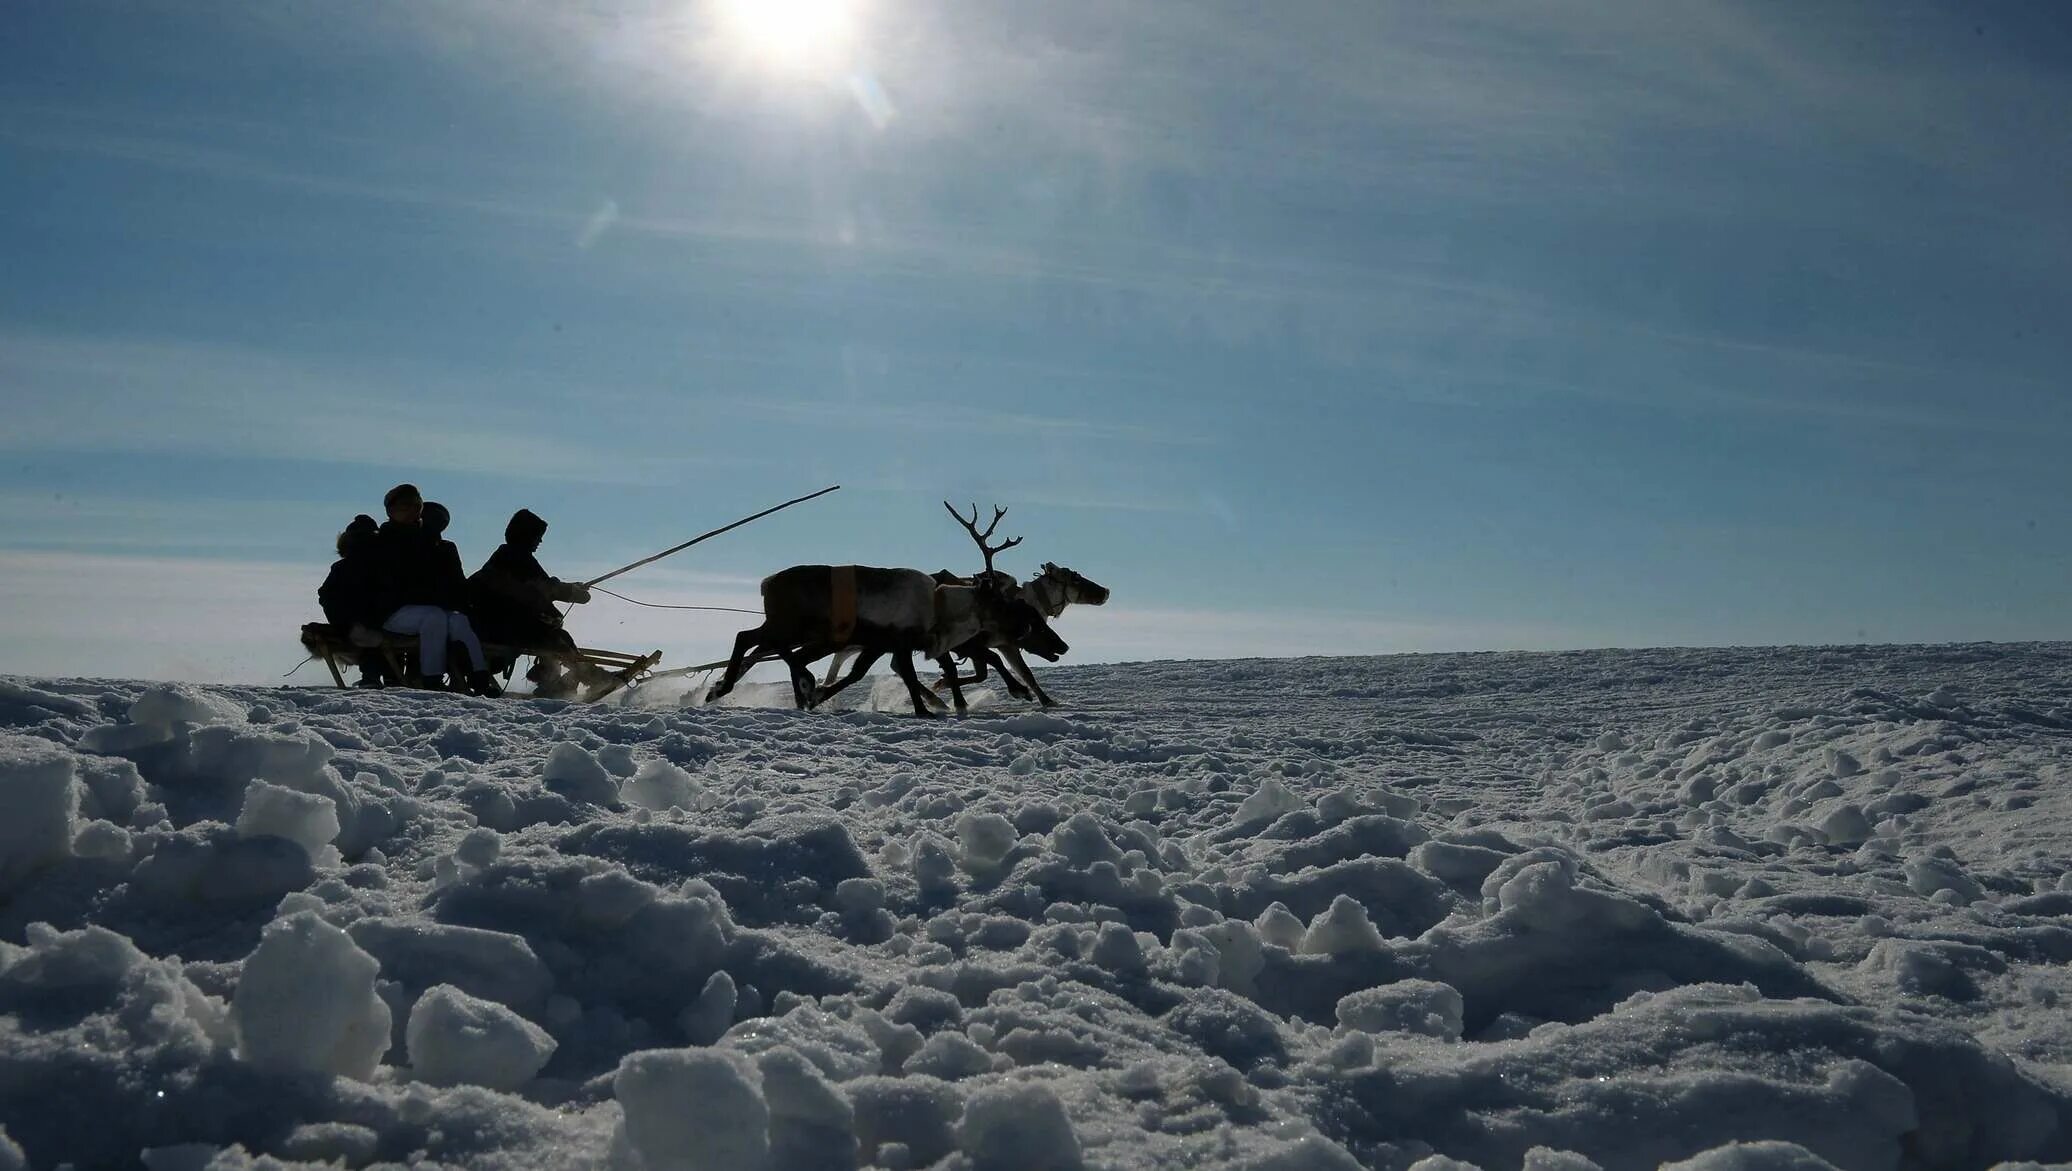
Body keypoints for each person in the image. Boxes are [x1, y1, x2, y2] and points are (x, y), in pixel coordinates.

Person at [372, 484, 498, 695]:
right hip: (392, 610)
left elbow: (450, 583)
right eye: (404, 505)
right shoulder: (382, 542)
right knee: (434, 616)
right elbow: (389, 583)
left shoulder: (430, 542)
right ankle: (432, 680)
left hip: (429, 608)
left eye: (414, 505)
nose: (410, 510)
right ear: (391, 511)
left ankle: (481, 679)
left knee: (458, 620)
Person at [469, 508, 593, 696]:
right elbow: (544, 587)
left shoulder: (507, 555)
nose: (540, 541)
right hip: (502, 628)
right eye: (537, 536)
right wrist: (575, 593)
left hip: (498, 624)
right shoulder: (516, 557)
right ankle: (587, 678)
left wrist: (572, 588)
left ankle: (552, 679)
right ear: (526, 536)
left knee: (554, 634)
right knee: (557, 638)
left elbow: (542, 585)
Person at [422, 501, 500, 698]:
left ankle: (480, 680)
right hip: (421, 608)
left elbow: (457, 581)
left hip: (445, 608)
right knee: (457, 624)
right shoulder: (413, 546)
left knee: (462, 624)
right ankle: (466, 679)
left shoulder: (447, 548)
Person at [317, 514, 392, 688]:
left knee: (370, 635)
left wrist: (339, 618)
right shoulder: (380, 566)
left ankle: (375, 677)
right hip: (367, 620)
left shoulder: (342, 567)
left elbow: (325, 595)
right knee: (372, 636)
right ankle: (379, 677)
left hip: (350, 620)